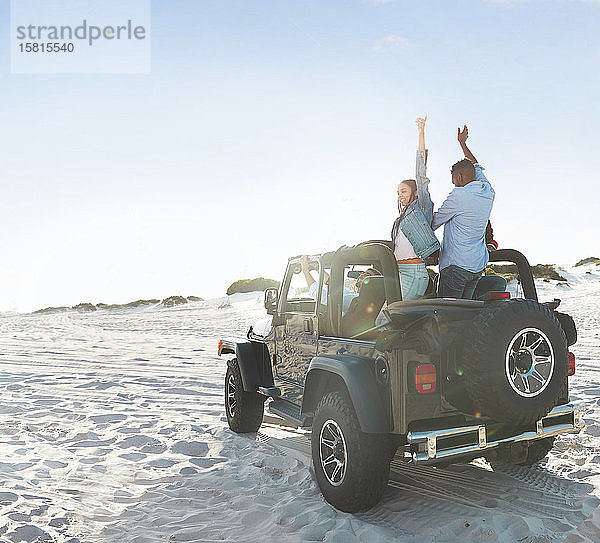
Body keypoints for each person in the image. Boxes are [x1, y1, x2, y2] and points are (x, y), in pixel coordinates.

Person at [431, 125, 495, 299]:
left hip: (456, 267)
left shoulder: (459, 195)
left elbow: (434, 222)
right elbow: (475, 165)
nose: (454, 184)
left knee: (448, 316)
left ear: (459, 177)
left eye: (454, 181)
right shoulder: (487, 190)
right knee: (465, 316)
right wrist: (462, 144)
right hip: (475, 268)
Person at [391, 117, 440, 301]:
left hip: (413, 273)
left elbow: (421, 174)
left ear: (415, 191)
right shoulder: (400, 219)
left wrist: (421, 132)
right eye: (398, 192)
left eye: (403, 190)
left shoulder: (422, 208)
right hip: (399, 271)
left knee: (383, 318)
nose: (400, 195)